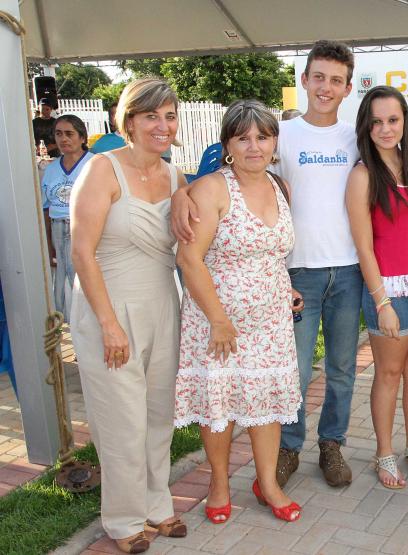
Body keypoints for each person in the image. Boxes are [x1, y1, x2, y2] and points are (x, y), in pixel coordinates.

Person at [171, 40, 362, 490]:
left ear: (348, 87)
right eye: (318, 77)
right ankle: (286, 450)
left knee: (340, 368)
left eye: (336, 80)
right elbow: (218, 175)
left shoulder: (356, 137)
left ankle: (331, 445)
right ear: (304, 80)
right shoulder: (281, 131)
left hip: (346, 269)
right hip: (296, 272)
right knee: (289, 372)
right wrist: (180, 191)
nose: (326, 87)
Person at [69, 78, 187, 554]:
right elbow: (81, 251)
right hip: (108, 311)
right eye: (152, 116)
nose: (163, 125)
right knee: (121, 421)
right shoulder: (101, 169)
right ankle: (122, 520)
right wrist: (109, 324)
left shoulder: (177, 177)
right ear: (130, 121)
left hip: (163, 305)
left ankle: (158, 506)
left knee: (159, 414)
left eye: (170, 115)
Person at [174, 100, 302, 524]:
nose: (254, 146)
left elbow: (271, 255)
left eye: (262, 136)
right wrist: (218, 320)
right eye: (242, 137)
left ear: (274, 141)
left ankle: (268, 483)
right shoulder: (213, 188)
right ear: (228, 143)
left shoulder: (280, 187)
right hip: (218, 324)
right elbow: (189, 259)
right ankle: (219, 483)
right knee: (220, 406)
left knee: (265, 404)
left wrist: (287, 288)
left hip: (271, 324)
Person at [346, 86, 408, 488]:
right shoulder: (362, 176)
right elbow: (364, 247)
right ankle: (384, 451)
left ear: (404, 122)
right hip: (390, 288)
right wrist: (381, 301)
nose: (386, 129)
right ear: (366, 127)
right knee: (388, 372)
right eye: (377, 122)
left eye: (393, 120)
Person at [42, 115, 93, 322]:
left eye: (69, 134)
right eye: (59, 134)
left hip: (84, 229)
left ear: (82, 137)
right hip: (58, 228)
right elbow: (46, 208)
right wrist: (48, 243)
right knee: (64, 283)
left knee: (85, 281)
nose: (64, 139)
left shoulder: (95, 164)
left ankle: (89, 334)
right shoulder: (51, 169)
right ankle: (73, 333)